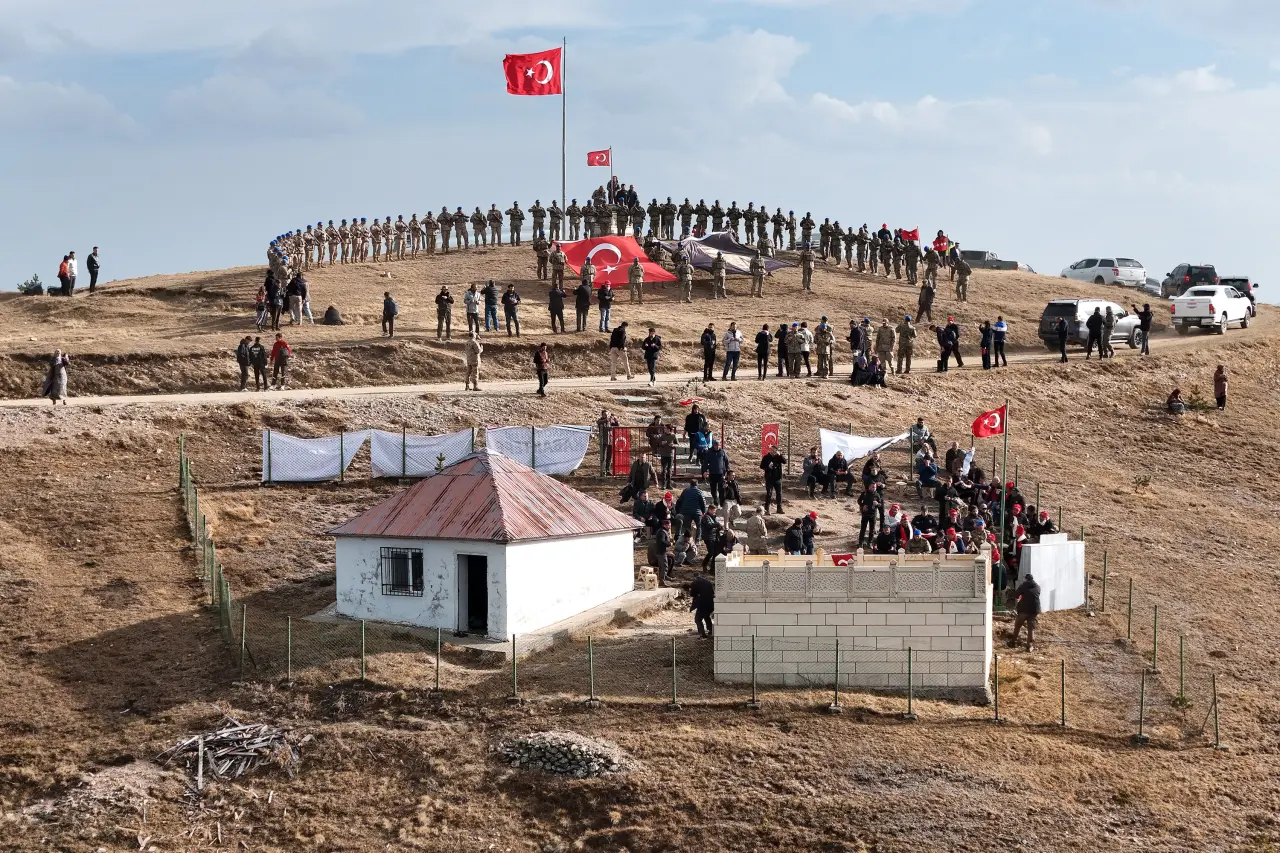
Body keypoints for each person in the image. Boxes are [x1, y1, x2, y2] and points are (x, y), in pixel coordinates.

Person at [1010, 573, 1041, 651]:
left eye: (1024, 578)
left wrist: (1020, 596)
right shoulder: (1037, 587)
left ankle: (1013, 642)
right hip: (1034, 611)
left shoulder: (1023, 586)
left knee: (1017, 626)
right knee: (1031, 629)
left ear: (1026, 579)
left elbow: (1016, 595)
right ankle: (1029, 646)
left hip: (1024, 610)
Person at [702, 439, 731, 506]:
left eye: (718, 445)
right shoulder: (709, 452)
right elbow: (705, 463)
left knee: (721, 488)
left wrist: (728, 471)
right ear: (713, 445)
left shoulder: (722, 452)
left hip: (721, 474)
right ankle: (715, 500)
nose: (717, 447)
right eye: (716, 445)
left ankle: (721, 502)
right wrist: (705, 471)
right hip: (712, 474)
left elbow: (727, 462)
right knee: (713, 489)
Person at [760, 445, 785, 514]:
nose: (773, 452)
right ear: (770, 450)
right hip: (769, 478)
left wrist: (780, 455)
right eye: (772, 450)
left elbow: (784, 461)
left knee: (779, 494)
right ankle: (767, 508)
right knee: (769, 493)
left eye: (775, 451)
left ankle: (779, 508)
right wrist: (768, 466)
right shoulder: (766, 457)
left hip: (778, 478)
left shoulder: (778, 457)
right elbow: (761, 466)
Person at [690, 570, 715, 638]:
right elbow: (712, 593)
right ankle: (711, 630)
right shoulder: (708, 582)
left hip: (702, 604)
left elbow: (692, 594)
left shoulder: (695, 583)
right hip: (710, 603)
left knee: (698, 619)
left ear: (694, 577)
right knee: (706, 616)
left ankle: (702, 635)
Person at [857, 482, 884, 547]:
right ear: (869, 487)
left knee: (872, 529)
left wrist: (877, 504)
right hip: (865, 514)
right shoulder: (865, 493)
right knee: (863, 529)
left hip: (873, 514)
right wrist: (863, 505)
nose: (874, 488)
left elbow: (880, 505)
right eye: (872, 487)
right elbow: (859, 500)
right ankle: (861, 543)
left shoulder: (877, 495)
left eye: (875, 487)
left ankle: (870, 543)